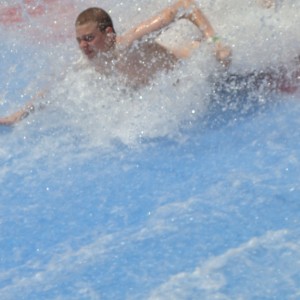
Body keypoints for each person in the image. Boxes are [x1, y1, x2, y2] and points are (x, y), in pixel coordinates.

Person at [0, 0, 231, 125]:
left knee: (223, 63)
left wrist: (216, 41)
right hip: (165, 83)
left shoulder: (129, 42)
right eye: (79, 40)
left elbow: (184, 6)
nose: (83, 46)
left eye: (89, 38)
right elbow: (54, 89)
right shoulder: (91, 62)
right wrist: (18, 115)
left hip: (190, 64)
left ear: (109, 34)